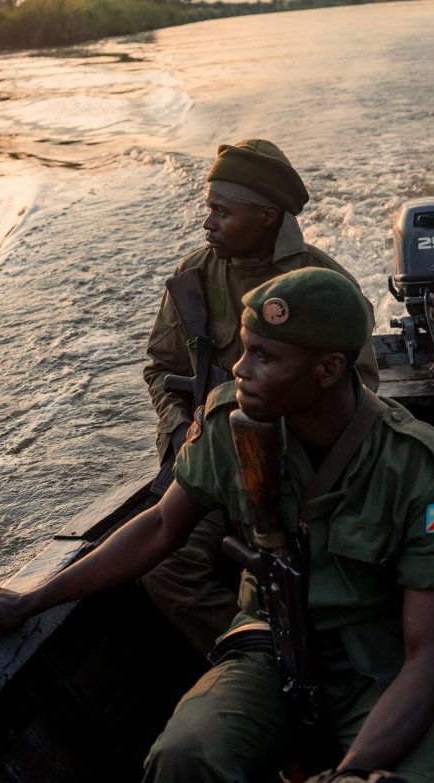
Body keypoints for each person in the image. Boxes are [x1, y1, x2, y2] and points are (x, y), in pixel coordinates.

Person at [0, 268, 434, 783]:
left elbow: (429, 657)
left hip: (379, 665)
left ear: (328, 369)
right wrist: (31, 600)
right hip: (270, 644)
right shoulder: (231, 421)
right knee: (183, 760)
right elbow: (160, 527)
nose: (241, 368)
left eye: (264, 356)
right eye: (245, 348)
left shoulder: (414, 463)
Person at [142, 139, 381, 656]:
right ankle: (259, 654)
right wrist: (179, 427)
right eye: (209, 209)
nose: (208, 223)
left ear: (268, 215)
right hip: (213, 461)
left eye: (222, 212)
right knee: (164, 568)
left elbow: (361, 389)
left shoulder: (321, 285)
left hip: (302, 469)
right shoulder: (193, 278)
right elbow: (162, 368)